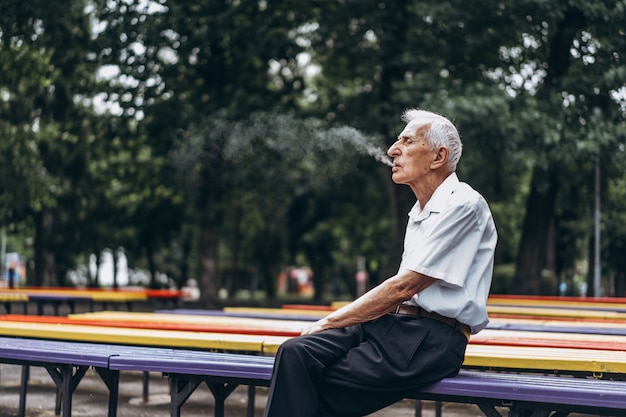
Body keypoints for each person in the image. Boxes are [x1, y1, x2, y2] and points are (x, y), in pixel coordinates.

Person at [263, 109, 498, 417]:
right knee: (295, 354)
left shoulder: (464, 205)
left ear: (438, 157)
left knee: (307, 388)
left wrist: (329, 321)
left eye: (407, 141)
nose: (392, 150)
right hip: (391, 325)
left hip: (430, 339)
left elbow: (405, 286)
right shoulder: (420, 211)